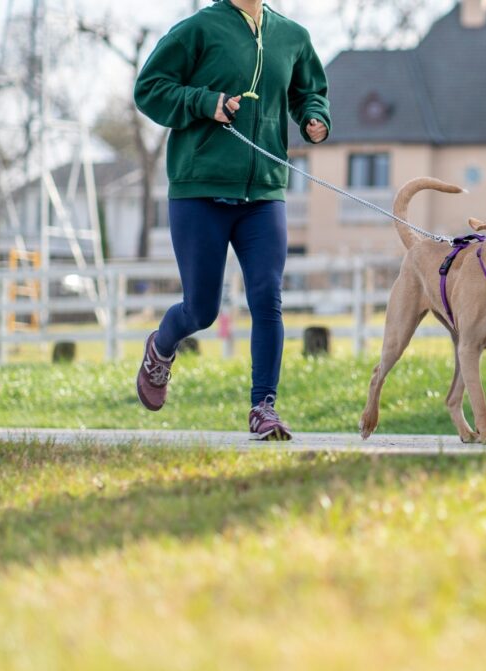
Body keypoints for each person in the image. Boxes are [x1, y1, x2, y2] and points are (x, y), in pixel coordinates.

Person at [132, 0, 330, 440]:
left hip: (263, 193)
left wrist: (314, 116)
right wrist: (205, 102)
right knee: (201, 310)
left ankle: (264, 407)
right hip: (199, 188)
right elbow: (150, 88)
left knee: (267, 296)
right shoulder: (198, 30)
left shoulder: (292, 36)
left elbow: (308, 91)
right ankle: (161, 348)